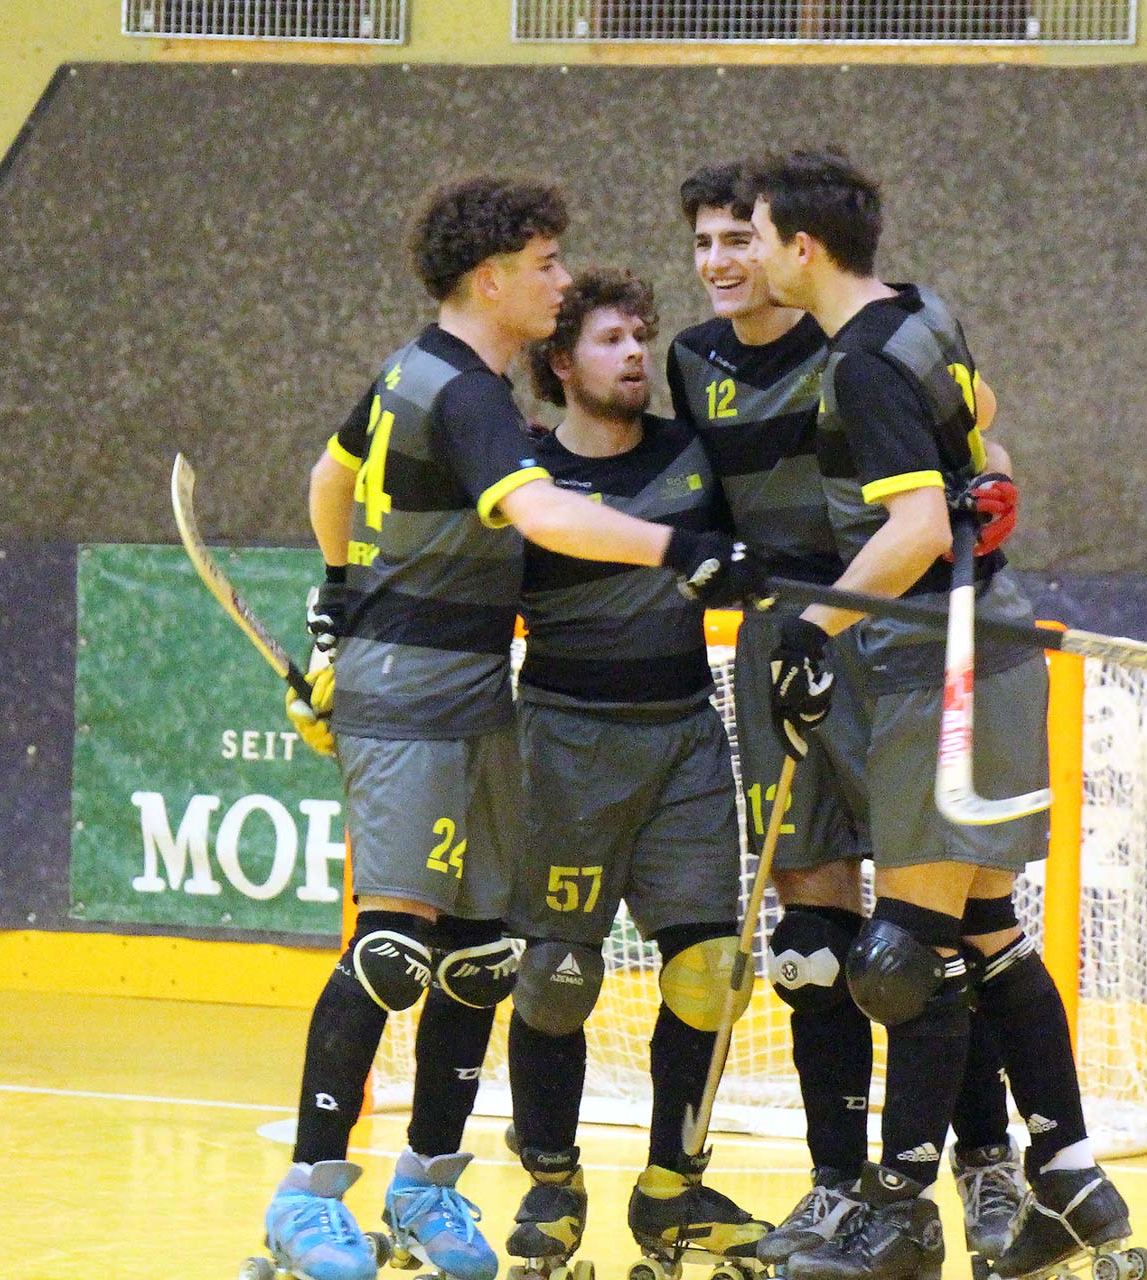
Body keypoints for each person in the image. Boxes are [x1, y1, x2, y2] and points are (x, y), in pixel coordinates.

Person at [267, 176, 765, 1280]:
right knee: (392, 949)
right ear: (492, 279)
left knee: (479, 956)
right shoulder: (462, 393)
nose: (560, 280)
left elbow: (329, 477)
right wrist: (675, 547)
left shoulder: (422, 371)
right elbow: (539, 511)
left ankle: (426, 1187)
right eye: (546, 264)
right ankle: (305, 1195)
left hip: (477, 688)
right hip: (413, 694)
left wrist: (338, 591)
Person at [744, 148, 1141, 1280]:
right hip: (993, 649)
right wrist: (978, 476)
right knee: (986, 934)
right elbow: (983, 418)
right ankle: (1072, 1181)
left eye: (759, 237)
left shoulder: (859, 365)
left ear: (802, 249)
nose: (754, 256)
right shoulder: (923, 312)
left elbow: (915, 528)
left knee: (903, 959)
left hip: (938, 666)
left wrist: (811, 627)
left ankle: (900, 1215)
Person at [664, 163, 1025, 1271]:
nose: (722, 261)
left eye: (741, 237)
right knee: (812, 945)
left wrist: (992, 485)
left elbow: (978, 435)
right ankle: (835, 1186)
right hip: (784, 645)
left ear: (792, 246)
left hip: (886, 634)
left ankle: (987, 1163)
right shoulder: (691, 360)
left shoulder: (858, 340)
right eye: (705, 242)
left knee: (924, 935)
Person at [499, 268, 770, 1274]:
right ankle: (551, 1184)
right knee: (555, 978)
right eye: (610, 340)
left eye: (640, 337)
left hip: (686, 739)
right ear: (561, 362)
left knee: (712, 974)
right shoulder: (527, 477)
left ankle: (671, 1191)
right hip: (564, 747)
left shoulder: (695, 453)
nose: (634, 355)